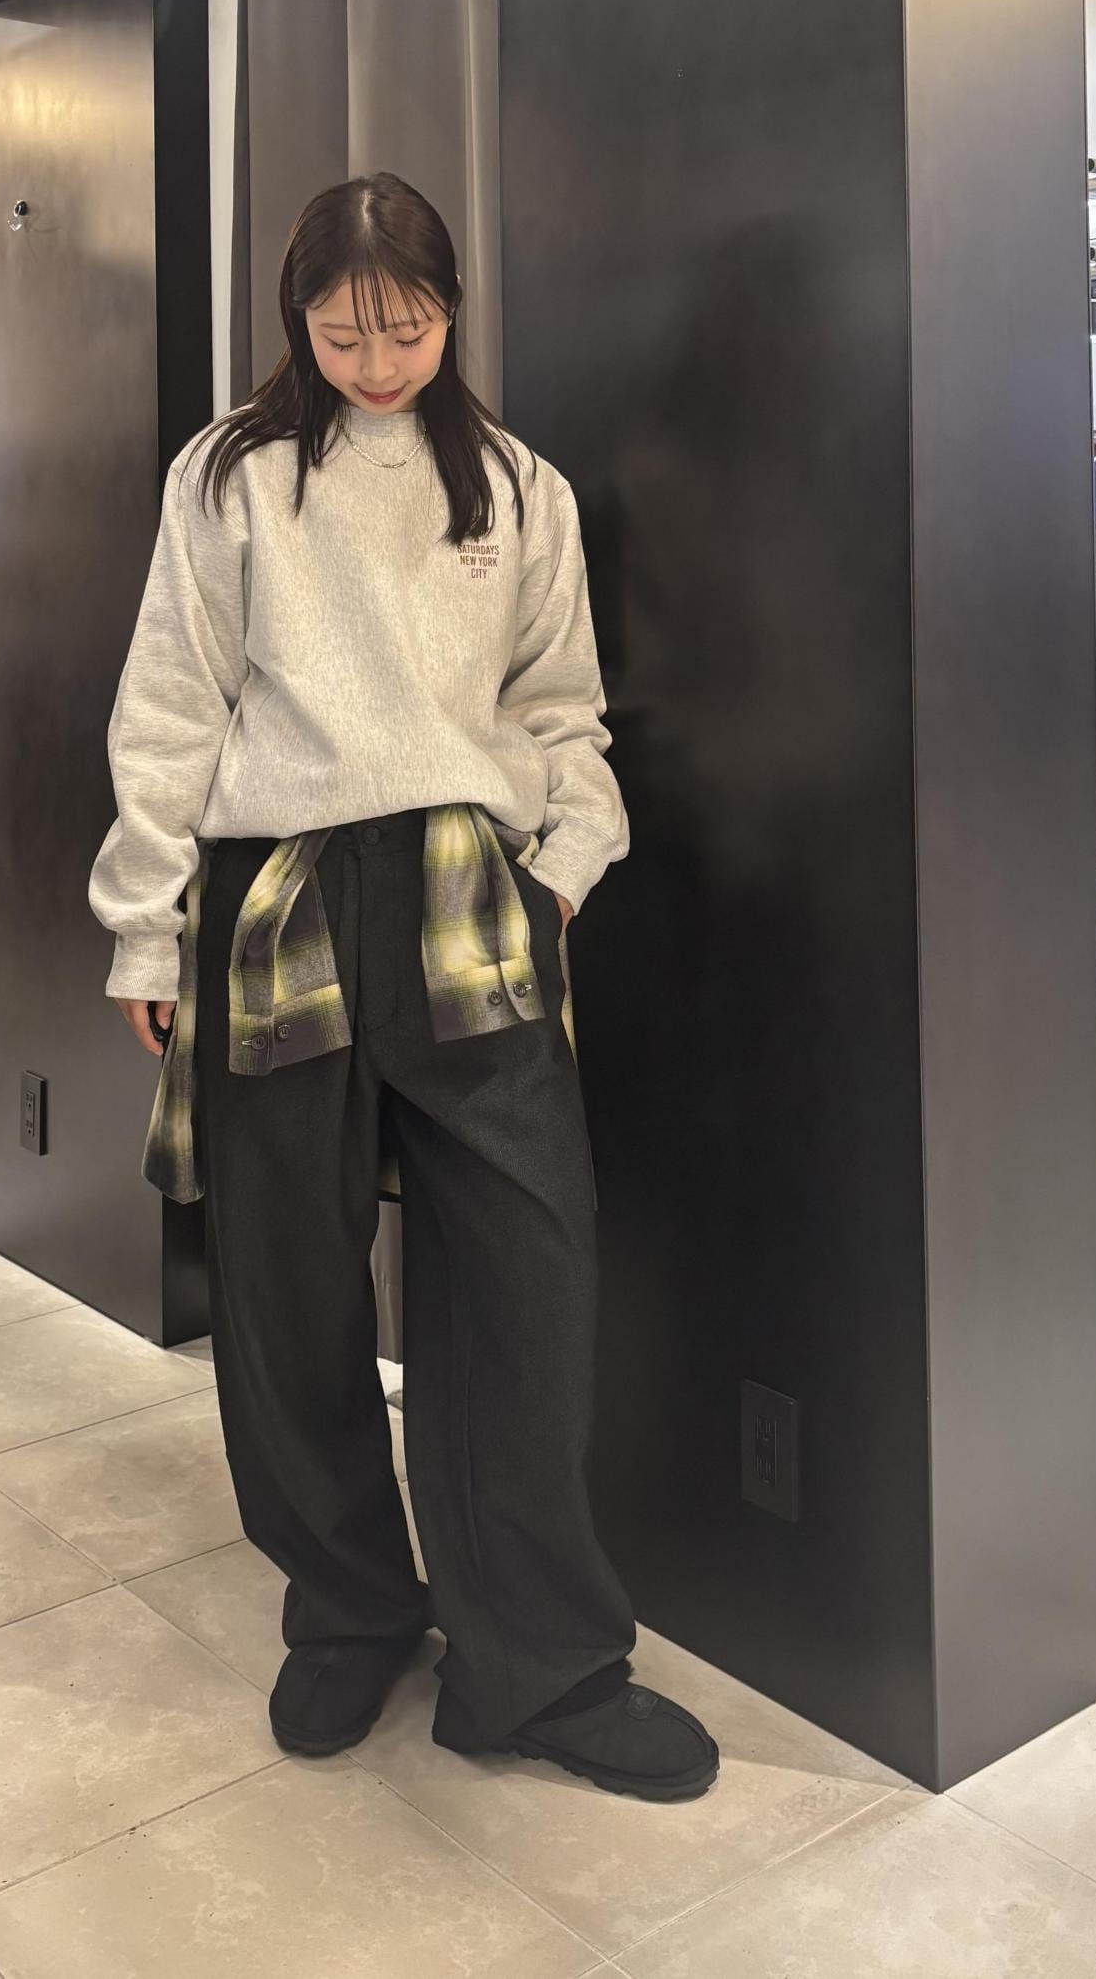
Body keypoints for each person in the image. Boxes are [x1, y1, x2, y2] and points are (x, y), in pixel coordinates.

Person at [88, 172, 719, 1803]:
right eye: (342, 331)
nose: (377, 362)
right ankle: (351, 1609)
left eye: (408, 326)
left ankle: (539, 1664)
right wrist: (144, 925)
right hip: (276, 897)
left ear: (452, 311)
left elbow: (564, 708)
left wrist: (563, 865)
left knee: (526, 1275)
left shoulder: (515, 485)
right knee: (286, 1291)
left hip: (468, 894)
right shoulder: (229, 478)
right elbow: (171, 703)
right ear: (294, 321)